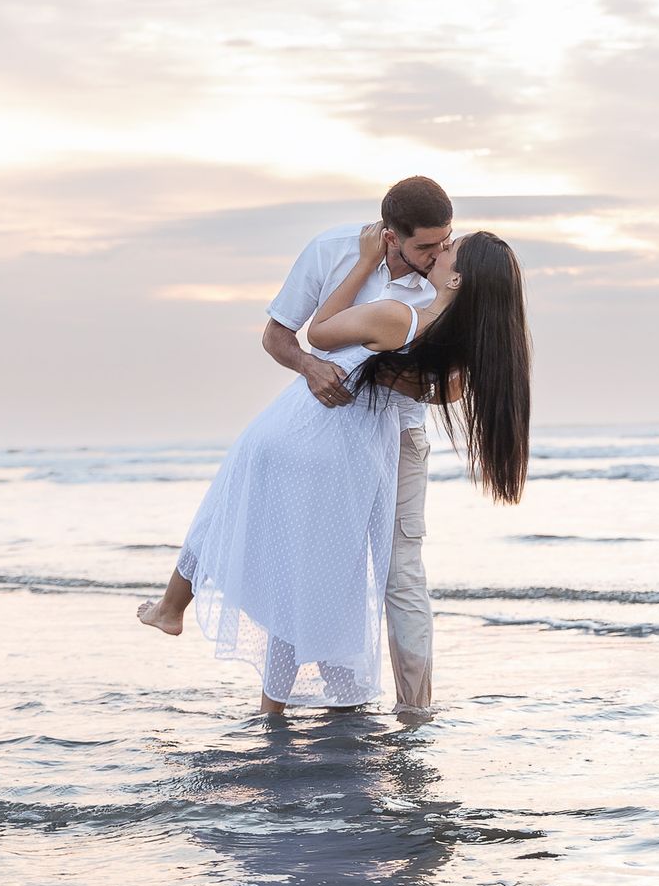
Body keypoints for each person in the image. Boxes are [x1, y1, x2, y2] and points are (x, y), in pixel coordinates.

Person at [135, 219, 530, 715]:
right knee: (310, 574)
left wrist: (365, 262)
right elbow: (440, 390)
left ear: (457, 279)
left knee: (230, 519)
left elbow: (319, 335)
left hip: (307, 432)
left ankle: (177, 614)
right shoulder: (457, 340)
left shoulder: (397, 313)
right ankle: (278, 706)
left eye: (450, 249)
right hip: (359, 455)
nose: (442, 250)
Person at [261, 177, 454, 712]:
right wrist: (310, 368)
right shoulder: (332, 250)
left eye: (445, 240)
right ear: (390, 237)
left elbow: (453, 386)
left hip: (402, 437)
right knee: (319, 564)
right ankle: (298, 703)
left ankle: (416, 709)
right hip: (332, 437)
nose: (438, 253)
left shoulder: (448, 276)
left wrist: (389, 377)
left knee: (401, 571)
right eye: (425, 246)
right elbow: (279, 335)